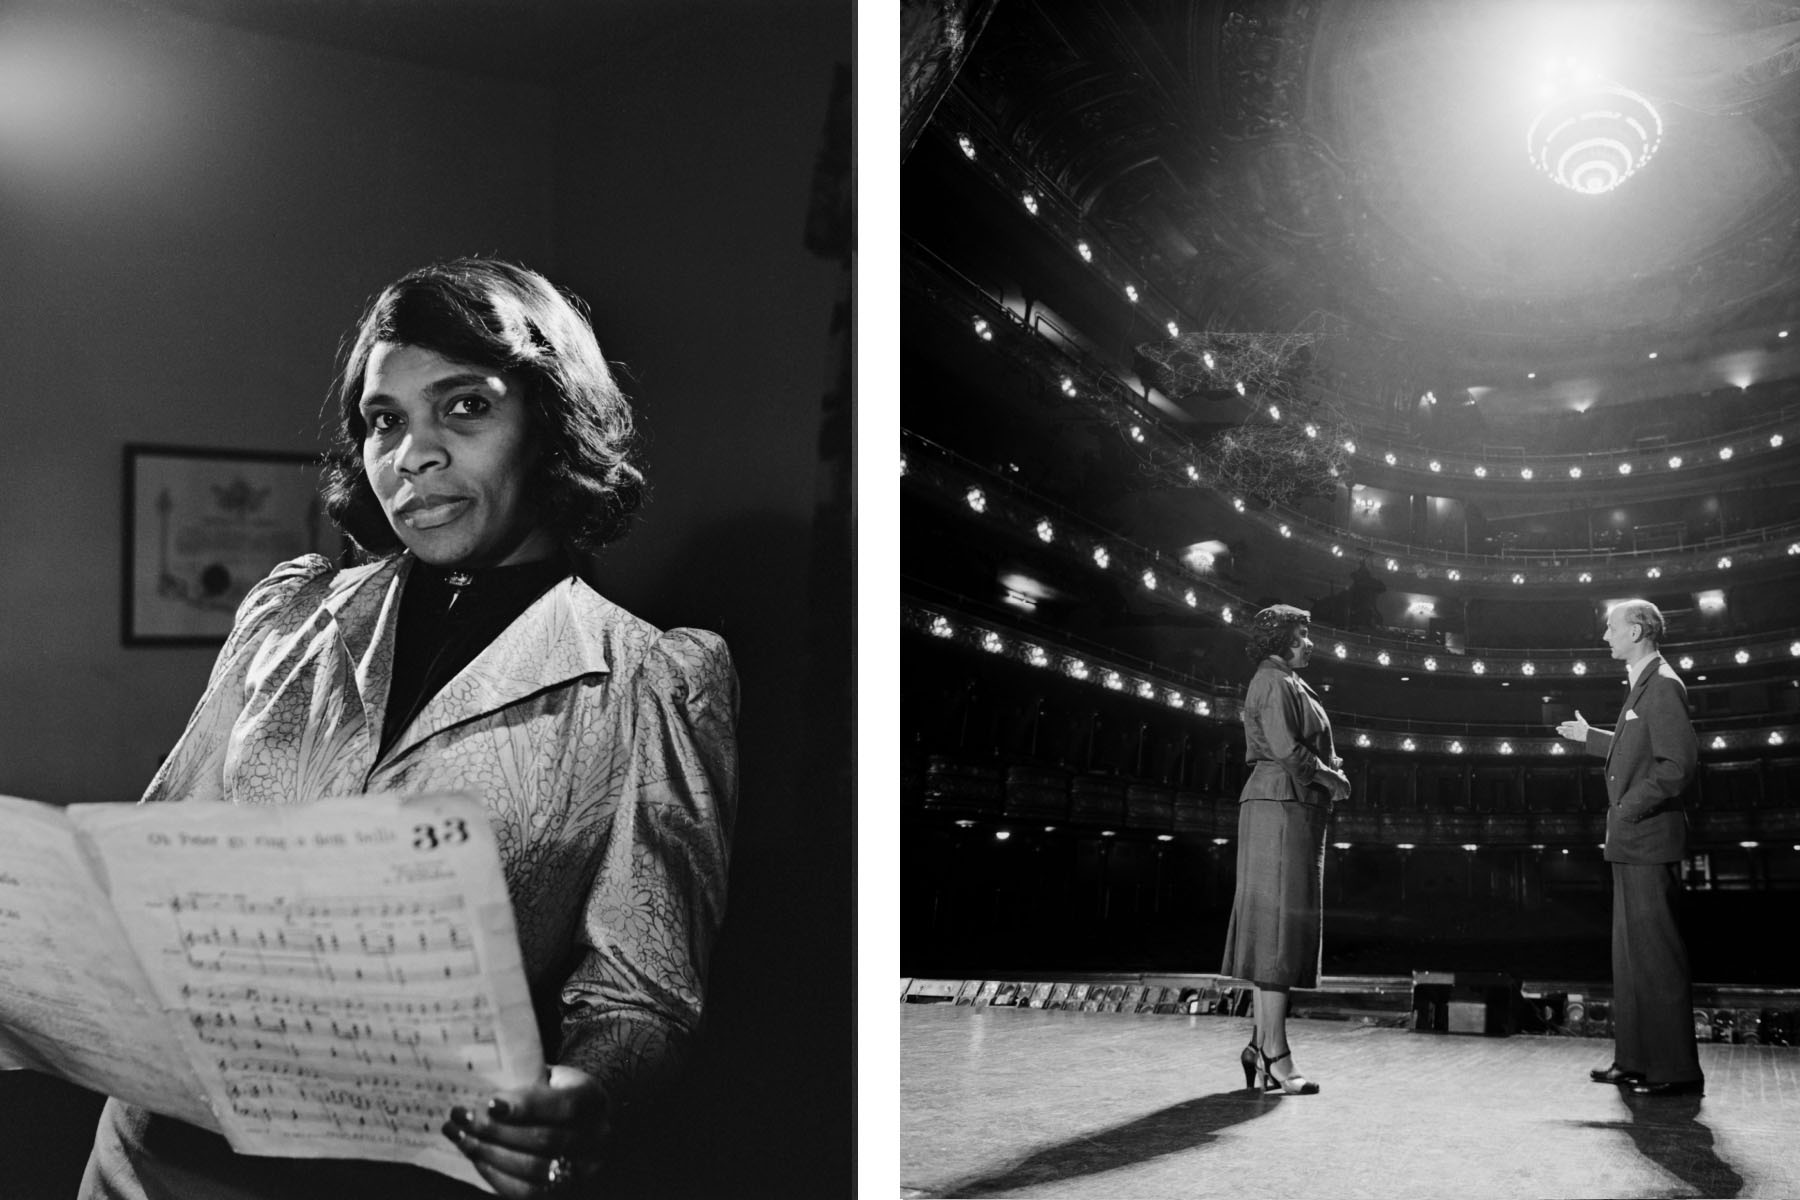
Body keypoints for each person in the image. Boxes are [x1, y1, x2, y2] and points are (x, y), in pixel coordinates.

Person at [80, 258, 739, 1198]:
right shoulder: (291, 614)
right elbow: (154, 846)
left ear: (551, 425)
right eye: (385, 420)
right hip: (156, 1157)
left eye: (463, 407)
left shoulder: (648, 682)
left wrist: (586, 1092)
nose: (412, 454)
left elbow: (644, 994)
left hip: (396, 1177)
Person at [1557, 599, 1701, 1097]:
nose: (1605, 636)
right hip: (1631, 843)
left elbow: (1676, 766)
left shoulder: (1662, 684)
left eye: (1612, 628)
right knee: (1631, 959)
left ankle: (1675, 1069)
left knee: (1656, 958)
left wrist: (1626, 810)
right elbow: (1636, 745)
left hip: (1646, 838)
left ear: (1637, 630)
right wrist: (1591, 737)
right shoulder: (1643, 682)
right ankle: (1636, 1059)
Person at [1220, 604, 1350, 1095]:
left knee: (1281, 930)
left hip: (1288, 805)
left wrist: (1327, 770)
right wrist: (1332, 777)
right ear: (1281, 638)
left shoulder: (1286, 680)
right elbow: (1288, 752)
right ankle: (1275, 1053)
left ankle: (1260, 1045)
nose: (1310, 641)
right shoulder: (1273, 681)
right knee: (1275, 933)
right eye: (1303, 633)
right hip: (1279, 804)